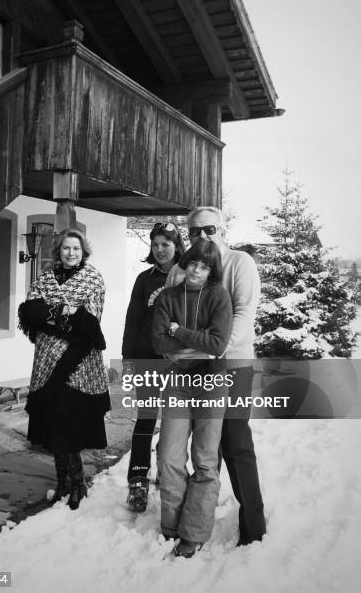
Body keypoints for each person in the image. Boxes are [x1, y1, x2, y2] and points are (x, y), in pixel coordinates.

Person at [166, 206, 266, 547]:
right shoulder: (181, 269)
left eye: (208, 229)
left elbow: (243, 314)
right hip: (189, 368)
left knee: (234, 441)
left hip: (233, 364)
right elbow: (167, 315)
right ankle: (191, 521)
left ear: (222, 230)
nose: (202, 236)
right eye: (194, 231)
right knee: (195, 448)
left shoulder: (240, 263)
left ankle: (253, 525)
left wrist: (211, 348)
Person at [18, 228, 110, 510]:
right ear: (58, 250)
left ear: (84, 252)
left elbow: (91, 324)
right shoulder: (45, 278)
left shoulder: (92, 279)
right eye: (67, 248)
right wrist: (64, 312)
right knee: (52, 423)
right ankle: (62, 482)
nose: (71, 253)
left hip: (77, 363)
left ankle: (78, 483)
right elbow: (28, 312)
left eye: (77, 249)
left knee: (69, 424)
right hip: (46, 361)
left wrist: (53, 316)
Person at [152, 240, 233, 558]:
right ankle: (171, 524)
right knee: (169, 456)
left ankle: (195, 532)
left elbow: (217, 345)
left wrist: (178, 331)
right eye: (193, 264)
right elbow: (159, 342)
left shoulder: (219, 296)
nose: (197, 271)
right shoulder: (168, 297)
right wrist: (182, 338)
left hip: (212, 382)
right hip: (178, 383)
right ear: (185, 263)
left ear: (212, 270)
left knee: (204, 459)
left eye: (205, 266)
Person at [123, 222, 185, 512]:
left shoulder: (188, 276)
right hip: (146, 358)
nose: (160, 250)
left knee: (175, 421)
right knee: (146, 419)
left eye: (166, 244)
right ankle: (137, 483)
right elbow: (133, 321)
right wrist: (127, 359)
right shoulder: (144, 280)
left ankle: (167, 470)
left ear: (176, 246)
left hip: (177, 362)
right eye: (155, 244)